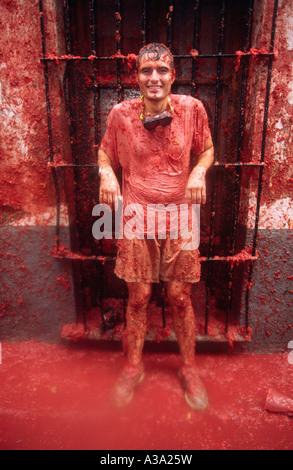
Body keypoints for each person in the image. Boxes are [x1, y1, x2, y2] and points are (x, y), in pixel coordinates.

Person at [98, 43, 214, 411]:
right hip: (137, 215)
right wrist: (107, 174)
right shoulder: (121, 114)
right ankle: (133, 368)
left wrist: (198, 171)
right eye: (147, 71)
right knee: (138, 297)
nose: (154, 78)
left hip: (180, 216)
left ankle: (189, 369)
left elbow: (207, 150)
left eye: (162, 71)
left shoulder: (192, 110)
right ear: (136, 76)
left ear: (173, 76)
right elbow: (105, 152)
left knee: (180, 296)